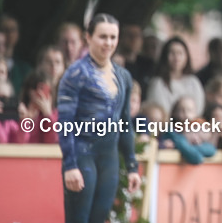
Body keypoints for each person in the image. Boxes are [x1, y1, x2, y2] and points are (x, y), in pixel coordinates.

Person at [56, 14, 141, 223]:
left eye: (113, 37)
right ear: (88, 37)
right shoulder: (76, 73)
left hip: (109, 159)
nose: (108, 43)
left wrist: (131, 166)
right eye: (103, 37)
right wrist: (70, 165)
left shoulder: (123, 77)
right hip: (82, 155)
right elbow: (64, 123)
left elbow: (124, 123)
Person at [145, 37, 205, 118]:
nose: (176, 57)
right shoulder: (157, 83)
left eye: (180, 53)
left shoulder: (193, 82)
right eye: (172, 53)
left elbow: (198, 110)